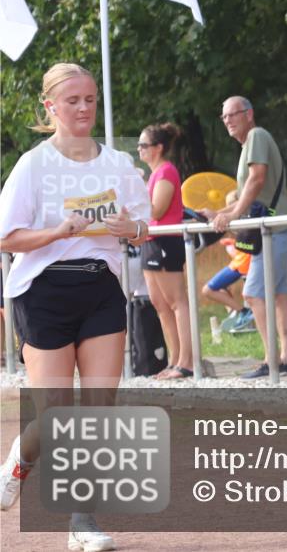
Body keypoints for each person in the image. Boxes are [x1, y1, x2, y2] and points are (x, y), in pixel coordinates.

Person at [0, 62, 151, 551]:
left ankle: (81, 525)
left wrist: (131, 229)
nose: (84, 108)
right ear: (51, 107)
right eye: (73, 101)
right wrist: (56, 232)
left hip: (100, 287)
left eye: (89, 99)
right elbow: (7, 237)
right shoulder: (33, 166)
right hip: (42, 293)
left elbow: (143, 225)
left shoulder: (119, 164)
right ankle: (18, 462)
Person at [202, 97, 287, 378]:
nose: (229, 120)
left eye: (234, 114)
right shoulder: (249, 145)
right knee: (278, 294)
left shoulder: (256, 136)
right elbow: (250, 196)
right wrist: (218, 212)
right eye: (224, 117)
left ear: (249, 114)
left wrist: (229, 216)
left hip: (273, 231)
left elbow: (257, 180)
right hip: (273, 229)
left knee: (253, 295)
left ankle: (272, 360)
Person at [137, 122, 193, 379]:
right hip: (152, 240)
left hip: (165, 241)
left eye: (144, 145)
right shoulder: (154, 175)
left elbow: (157, 210)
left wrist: (136, 190)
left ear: (158, 148)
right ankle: (174, 360)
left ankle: (187, 361)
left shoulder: (166, 171)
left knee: (177, 302)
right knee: (160, 305)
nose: (139, 150)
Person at [201, 236, 254, 333]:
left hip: (241, 264)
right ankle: (235, 311)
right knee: (219, 289)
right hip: (239, 262)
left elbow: (248, 243)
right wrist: (234, 243)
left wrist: (235, 244)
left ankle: (243, 312)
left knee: (207, 290)